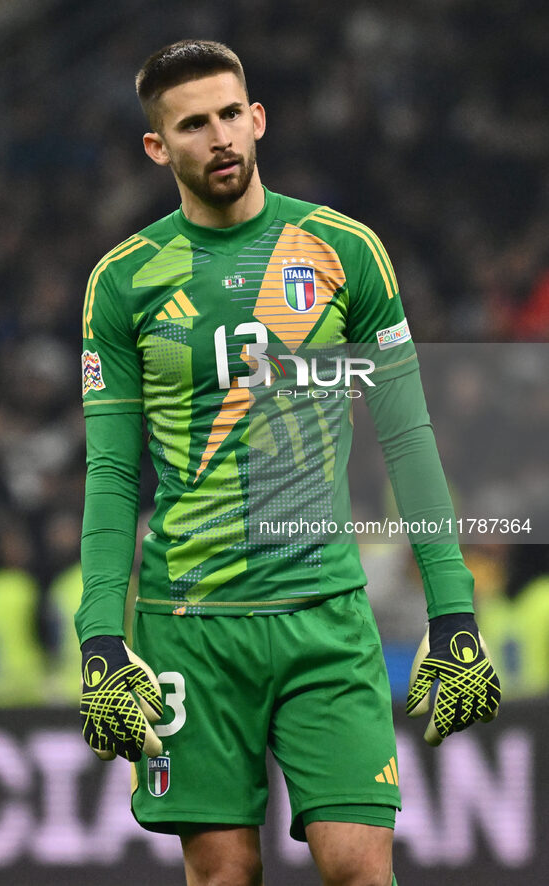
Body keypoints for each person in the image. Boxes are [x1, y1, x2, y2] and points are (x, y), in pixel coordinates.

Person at [76, 40, 501, 886]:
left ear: (258, 118)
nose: (219, 137)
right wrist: (99, 635)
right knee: (224, 874)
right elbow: (113, 473)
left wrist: (452, 611)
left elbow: (408, 435)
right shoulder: (122, 282)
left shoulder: (344, 249)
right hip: (189, 624)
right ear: (158, 148)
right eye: (192, 124)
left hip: (324, 614)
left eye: (231, 114)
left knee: (357, 866)